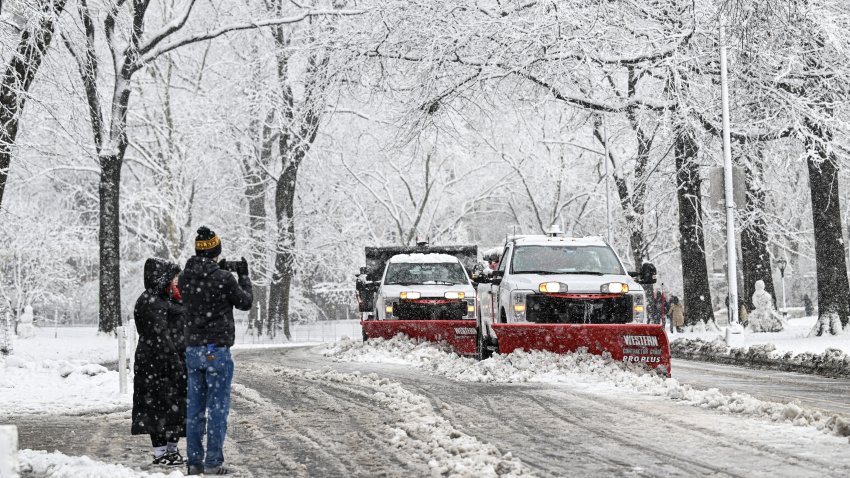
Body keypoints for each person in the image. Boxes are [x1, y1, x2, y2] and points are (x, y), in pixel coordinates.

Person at [179, 227, 252, 476]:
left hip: (192, 350)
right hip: (216, 350)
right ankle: (213, 463)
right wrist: (243, 276)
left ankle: (194, 462)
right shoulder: (224, 278)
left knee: (195, 409)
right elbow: (245, 302)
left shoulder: (184, 278)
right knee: (217, 407)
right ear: (216, 252)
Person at [131, 258, 186, 466]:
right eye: (173, 277)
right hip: (157, 365)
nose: (176, 281)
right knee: (157, 408)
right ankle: (161, 453)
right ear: (162, 279)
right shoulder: (151, 302)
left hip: (168, 363)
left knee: (173, 407)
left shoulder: (166, 299)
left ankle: (171, 451)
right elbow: (160, 336)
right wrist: (175, 363)